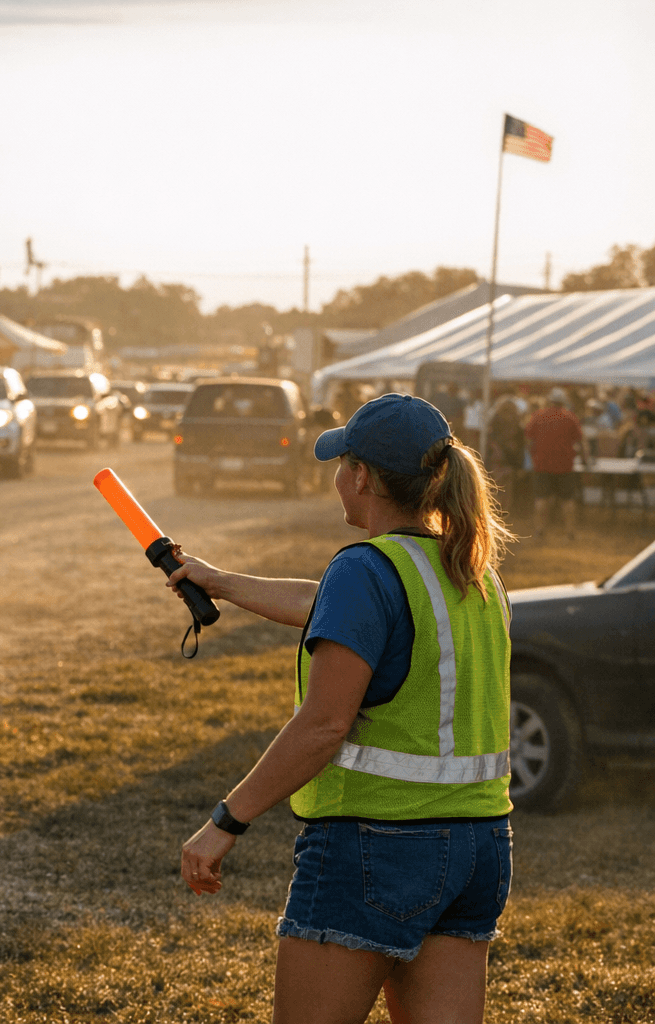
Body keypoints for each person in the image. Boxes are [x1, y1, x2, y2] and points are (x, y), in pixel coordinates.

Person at [170, 393, 514, 1024]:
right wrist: (220, 582)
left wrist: (226, 822)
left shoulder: (367, 571)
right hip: (480, 846)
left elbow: (324, 725)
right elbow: (331, 605)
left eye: (341, 464)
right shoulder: (472, 570)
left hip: (375, 845)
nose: (336, 478)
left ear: (362, 477)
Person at [524, 387, 592, 541]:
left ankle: (540, 531)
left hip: (542, 464)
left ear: (550, 400)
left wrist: (534, 455)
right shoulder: (570, 417)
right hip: (565, 465)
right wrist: (585, 459)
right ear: (563, 401)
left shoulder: (538, 416)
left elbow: (528, 440)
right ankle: (570, 532)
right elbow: (581, 441)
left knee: (541, 499)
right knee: (567, 500)